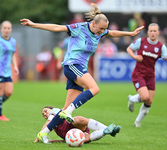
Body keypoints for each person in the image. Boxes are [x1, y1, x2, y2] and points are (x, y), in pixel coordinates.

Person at [20, 3, 143, 143]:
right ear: (93, 24)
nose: (102, 31)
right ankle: (69, 112)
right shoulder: (79, 28)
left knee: (65, 108)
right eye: (101, 28)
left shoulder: (100, 31)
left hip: (79, 68)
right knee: (94, 88)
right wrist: (34, 25)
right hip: (72, 65)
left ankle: (43, 133)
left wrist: (130, 33)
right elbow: (56, 28)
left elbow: (113, 33)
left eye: (104, 29)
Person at [127, 23, 167, 127]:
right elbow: (129, 49)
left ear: (158, 32)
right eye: (151, 31)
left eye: (155, 31)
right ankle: (132, 99)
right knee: (145, 97)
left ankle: (137, 122)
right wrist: (135, 57)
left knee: (149, 101)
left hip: (150, 76)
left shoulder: (161, 47)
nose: (153, 33)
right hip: (138, 74)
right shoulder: (141, 41)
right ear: (148, 32)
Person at [34, 106, 121, 143]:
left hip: (70, 125)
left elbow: (48, 123)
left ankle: (108, 128)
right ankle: (105, 131)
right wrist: (56, 141)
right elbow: (64, 139)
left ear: (52, 108)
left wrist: (38, 138)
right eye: (43, 114)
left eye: (45, 111)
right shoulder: (52, 125)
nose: (45, 114)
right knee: (84, 139)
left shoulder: (55, 111)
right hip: (69, 134)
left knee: (77, 119)